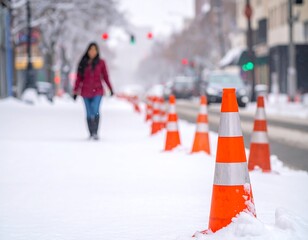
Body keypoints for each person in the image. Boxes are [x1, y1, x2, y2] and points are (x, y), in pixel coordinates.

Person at [73, 42, 114, 140]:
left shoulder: (101, 63)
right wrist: (75, 91)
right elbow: (78, 78)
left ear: (97, 51)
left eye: (94, 50)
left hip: (97, 91)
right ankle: (91, 132)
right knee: (88, 112)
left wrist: (110, 88)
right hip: (85, 91)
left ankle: (95, 132)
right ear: (88, 51)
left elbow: (105, 77)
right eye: (91, 50)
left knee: (95, 110)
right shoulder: (83, 62)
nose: (92, 52)